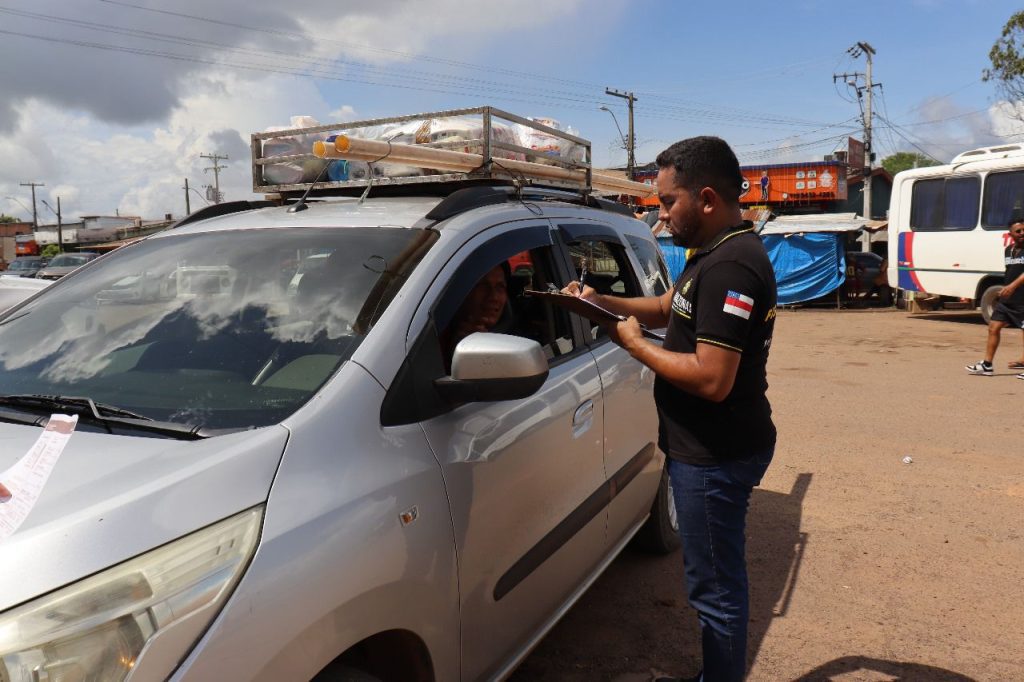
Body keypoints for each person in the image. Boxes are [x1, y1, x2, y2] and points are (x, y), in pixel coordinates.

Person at [565, 136, 777, 682]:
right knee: (715, 581)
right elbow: (668, 308)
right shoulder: (712, 250)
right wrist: (597, 302)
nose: (658, 215)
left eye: (666, 202)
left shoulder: (733, 265)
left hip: (714, 454)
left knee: (715, 592)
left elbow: (712, 379)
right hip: (710, 446)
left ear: (706, 198)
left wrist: (634, 345)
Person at [965, 220, 1024, 378]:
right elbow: (1010, 271)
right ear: (1010, 234)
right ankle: (987, 365)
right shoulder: (1008, 250)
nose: (1022, 233)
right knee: (993, 327)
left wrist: (1012, 286)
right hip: (1007, 301)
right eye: (1018, 231)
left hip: (1022, 300)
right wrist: (1007, 289)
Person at [440, 263, 510, 368]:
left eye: (500, 287)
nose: (494, 297)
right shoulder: (434, 340)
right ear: (462, 293)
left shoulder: (515, 340)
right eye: (483, 286)